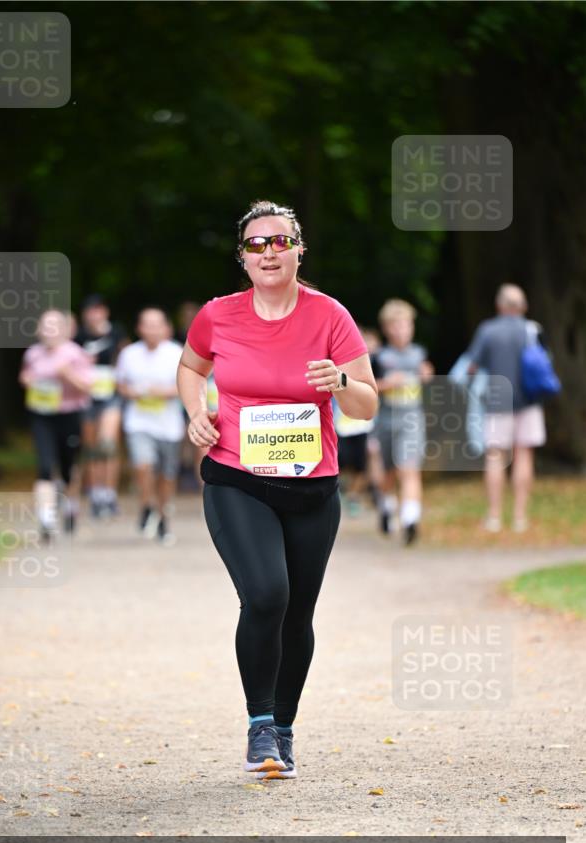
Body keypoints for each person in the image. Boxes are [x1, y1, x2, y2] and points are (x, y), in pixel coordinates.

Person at [177, 199, 377, 780]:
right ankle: (260, 724)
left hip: (312, 488)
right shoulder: (217, 315)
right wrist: (196, 411)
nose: (269, 252)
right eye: (257, 244)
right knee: (267, 594)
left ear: (298, 251)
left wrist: (340, 380)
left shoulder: (330, 316)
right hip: (236, 478)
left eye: (281, 241)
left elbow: (367, 404)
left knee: (297, 613)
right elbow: (191, 368)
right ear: (242, 257)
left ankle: (283, 730)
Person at [467, 283, 547, 533]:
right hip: (529, 401)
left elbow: (472, 366)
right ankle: (520, 518)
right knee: (524, 455)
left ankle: (494, 517)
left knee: (495, 457)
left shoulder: (488, 330)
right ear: (523, 306)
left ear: (499, 305)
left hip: (497, 401)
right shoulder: (533, 329)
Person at [19, 310, 94, 539]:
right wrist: (27, 380)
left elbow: (88, 387)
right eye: (45, 326)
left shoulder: (75, 353)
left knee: (67, 468)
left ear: (64, 330)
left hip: (69, 415)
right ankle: (46, 518)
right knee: (45, 466)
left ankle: (71, 505)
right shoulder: (33, 354)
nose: (49, 332)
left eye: (54, 327)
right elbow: (25, 376)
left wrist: (67, 374)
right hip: (42, 416)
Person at [116, 307, 185, 545]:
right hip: (138, 422)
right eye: (147, 325)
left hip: (169, 425)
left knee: (166, 475)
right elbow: (120, 384)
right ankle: (147, 505)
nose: (152, 330)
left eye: (157, 325)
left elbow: (187, 385)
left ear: (166, 328)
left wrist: (163, 392)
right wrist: (132, 392)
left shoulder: (177, 353)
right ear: (139, 328)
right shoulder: (129, 354)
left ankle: (163, 517)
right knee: (143, 465)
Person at [374, 299, 434, 545]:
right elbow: (367, 387)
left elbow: (426, 383)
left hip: (412, 420)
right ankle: (387, 507)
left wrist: (426, 377)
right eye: (396, 325)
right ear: (387, 328)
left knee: (409, 469)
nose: (402, 330)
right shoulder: (379, 357)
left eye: (406, 325)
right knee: (389, 473)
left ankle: (410, 520)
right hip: (386, 421)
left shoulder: (419, 354)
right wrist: (387, 384)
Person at [75, 294, 127, 518]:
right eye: (90, 310)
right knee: (91, 445)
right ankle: (96, 493)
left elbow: (125, 357)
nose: (94, 315)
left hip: (110, 394)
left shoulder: (116, 332)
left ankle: (110, 492)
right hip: (86, 395)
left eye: (98, 310)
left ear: (105, 312)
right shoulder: (78, 335)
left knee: (108, 442)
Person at [333, 326, 379, 515]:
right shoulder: (335, 361)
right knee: (341, 461)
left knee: (362, 464)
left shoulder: (374, 363)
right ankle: (341, 490)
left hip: (363, 424)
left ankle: (353, 496)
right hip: (342, 425)